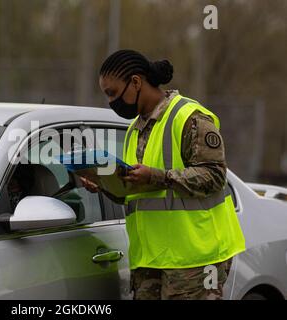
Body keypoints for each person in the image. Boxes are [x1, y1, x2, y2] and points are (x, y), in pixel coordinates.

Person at [81, 49, 246, 300]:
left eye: (113, 93)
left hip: (195, 259)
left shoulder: (189, 117)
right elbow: (137, 195)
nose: (110, 102)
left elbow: (214, 176)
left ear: (136, 82)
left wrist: (158, 176)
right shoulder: (135, 130)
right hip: (152, 259)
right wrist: (104, 184)